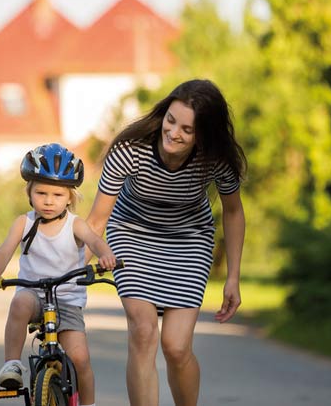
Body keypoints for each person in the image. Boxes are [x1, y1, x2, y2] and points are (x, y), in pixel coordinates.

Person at [86, 79, 247, 406]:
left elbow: (233, 213)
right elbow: (96, 221)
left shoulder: (215, 158)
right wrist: (66, 271)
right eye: (170, 120)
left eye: (187, 129)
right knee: (143, 332)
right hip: (131, 233)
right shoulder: (130, 150)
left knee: (176, 346)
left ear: (205, 134)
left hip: (189, 241)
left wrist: (233, 277)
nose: (173, 132)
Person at [0, 143, 117, 406]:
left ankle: (88, 404)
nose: (48, 200)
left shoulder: (74, 224)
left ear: (69, 197)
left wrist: (105, 255)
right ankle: (12, 366)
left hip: (66, 300)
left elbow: (94, 239)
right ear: (29, 193)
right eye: (41, 192)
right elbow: (4, 250)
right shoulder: (24, 222)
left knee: (80, 359)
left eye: (57, 194)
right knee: (19, 302)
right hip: (33, 295)